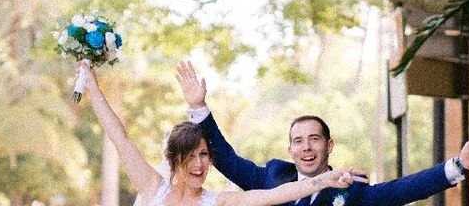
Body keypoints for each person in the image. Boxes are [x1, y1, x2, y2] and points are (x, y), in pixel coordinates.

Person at [176, 60, 469, 206]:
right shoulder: (271, 178)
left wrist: (458, 166)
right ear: (290, 149)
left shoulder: (353, 191)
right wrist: (199, 108)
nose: (306, 148)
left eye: (314, 139)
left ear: (329, 145)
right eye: (298, 141)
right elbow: (224, 157)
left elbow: (405, 189)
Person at [78, 61, 369, 206]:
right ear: (174, 159)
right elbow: (119, 138)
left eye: (204, 155)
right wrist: (92, 86)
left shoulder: (219, 201)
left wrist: (324, 179)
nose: (200, 164)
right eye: (190, 156)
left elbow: (280, 193)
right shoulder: (153, 188)